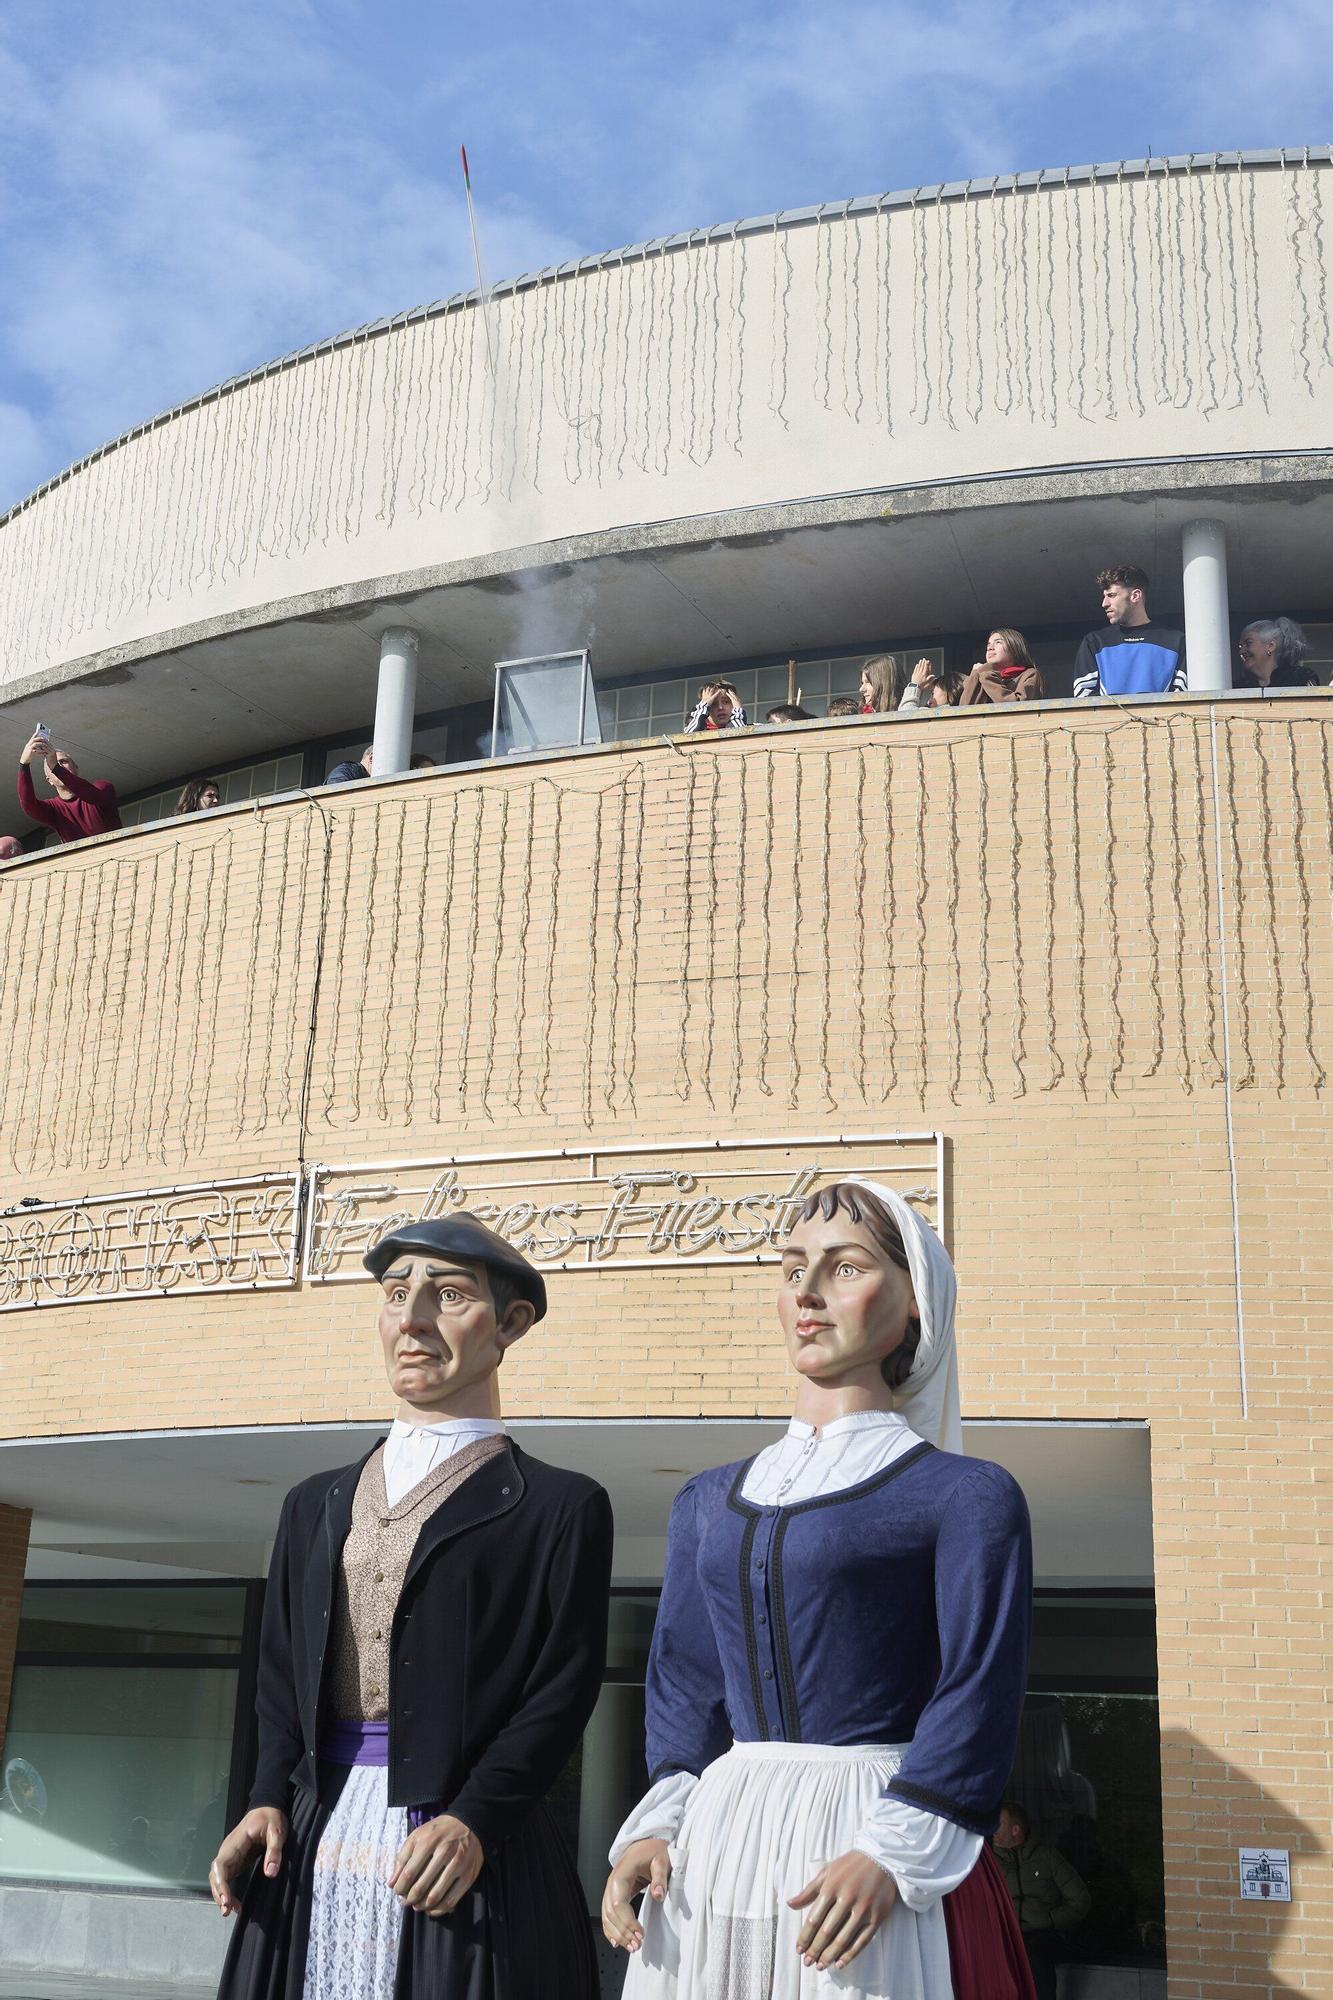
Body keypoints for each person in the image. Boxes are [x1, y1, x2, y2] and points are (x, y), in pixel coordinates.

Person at [603, 1179, 1035, 2000]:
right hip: (719, 1836)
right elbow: (687, 1686)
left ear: (916, 1304)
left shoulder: (965, 1494)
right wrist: (653, 1828)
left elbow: (976, 1689)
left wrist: (891, 1851)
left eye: (844, 1267)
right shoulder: (704, 1499)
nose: (805, 1290)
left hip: (871, 1832)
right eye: (792, 1266)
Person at [211, 1213, 614, 2000]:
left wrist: (475, 1819)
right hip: (314, 1833)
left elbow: (560, 1691)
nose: (413, 1318)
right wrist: (264, 1798)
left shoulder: (560, 1507)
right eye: (396, 1294)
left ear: (511, 1324)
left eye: (449, 1294)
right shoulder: (311, 1502)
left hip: (466, 1851)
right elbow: (279, 1676)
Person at [993, 1802, 1091, 2000]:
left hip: (1044, 1935)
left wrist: (1050, 1919)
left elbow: (1080, 1900)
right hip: (1003, 1933)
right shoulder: (989, 1861)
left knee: (1035, 1956)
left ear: (1015, 1829)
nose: (992, 1829)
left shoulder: (1046, 1856)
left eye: (998, 1824)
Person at [1072, 568, 1186, 698]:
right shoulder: (1095, 642)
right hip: (1109, 719)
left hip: (1163, 718)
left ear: (1135, 596)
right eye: (1104, 596)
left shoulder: (1176, 641)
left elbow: (1182, 699)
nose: (1104, 603)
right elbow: (1084, 698)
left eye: (1111, 595)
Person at [17, 733, 120, 844]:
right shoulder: (53, 809)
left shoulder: (103, 787)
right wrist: (24, 764)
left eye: (63, 762)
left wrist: (55, 767)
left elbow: (93, 796)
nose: (58, 765)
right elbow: (29, 805)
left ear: (76, 768)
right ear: (49, 780)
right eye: (52, 765)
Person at [960, 632, 1044, 705]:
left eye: (998, 642)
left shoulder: (1029, 674)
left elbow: (1017, 706)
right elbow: (964, 711)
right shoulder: (981, 675)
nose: (990, 648)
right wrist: (974, 675)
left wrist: (987, 675)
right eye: (988, 645)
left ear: (1014, 648)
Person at [1236, 617, 1319, 689]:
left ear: (1271, 646)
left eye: (1248, 643)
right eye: (1240, 646)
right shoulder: (1238, 687)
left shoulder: (1301, 678)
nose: (1241, 651)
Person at [900, 659, 965, 712]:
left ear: (951, 691)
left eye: (933, 693)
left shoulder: (947, 712)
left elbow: (904, 715)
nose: (929, 702)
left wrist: (915, 685)